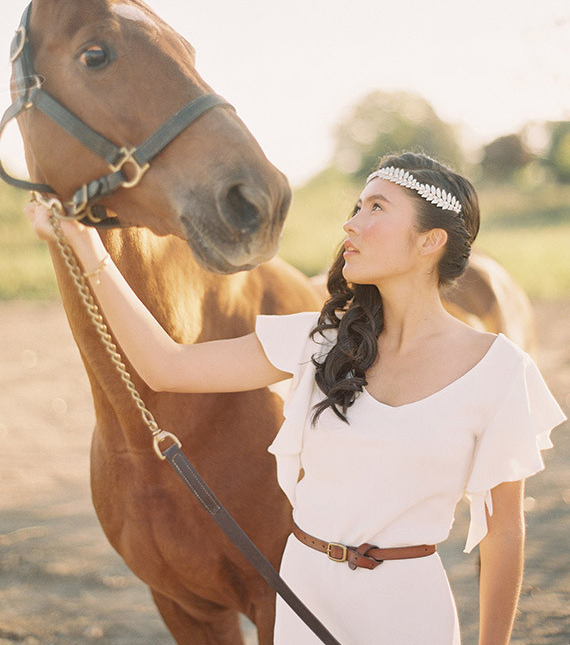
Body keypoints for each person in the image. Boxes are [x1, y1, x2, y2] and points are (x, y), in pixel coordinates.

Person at [27, 151, 565, 645]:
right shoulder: (320, 341)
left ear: (430, 241)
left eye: (376, 207)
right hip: (304, 600)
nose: (351, 223)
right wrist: (85, 244)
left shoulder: (498, 371)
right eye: (356, 206)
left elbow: (503, 530)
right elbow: (165, 366)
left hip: (408, 612)